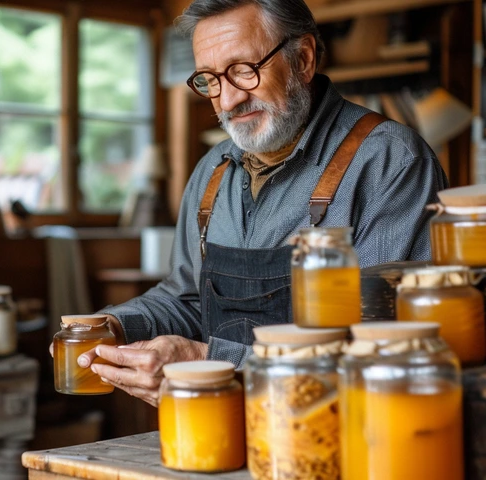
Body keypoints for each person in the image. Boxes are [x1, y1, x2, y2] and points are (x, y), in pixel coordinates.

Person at [59, 0, 448, 406]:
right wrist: (115, 327)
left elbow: (387, 349)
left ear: (303, 59)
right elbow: (187, 298)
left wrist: (211, 362)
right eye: (209, 80)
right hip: (218, 433)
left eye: (243, 70)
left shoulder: (390, 162)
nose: (227, 101)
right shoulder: (212, 171)